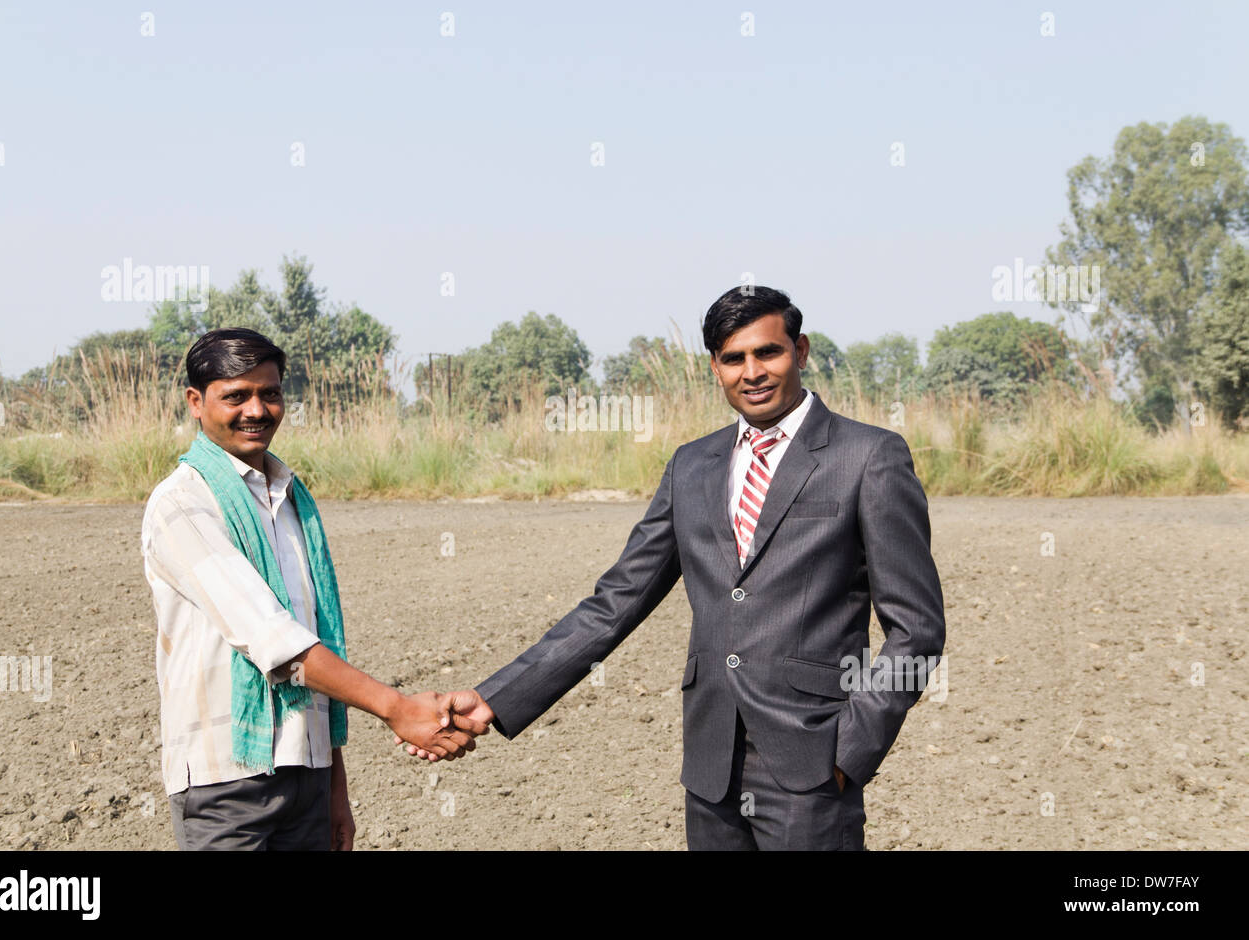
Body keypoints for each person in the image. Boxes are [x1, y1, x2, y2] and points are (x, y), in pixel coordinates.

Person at [400, 286, 946, 850]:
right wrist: (494, 698)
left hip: (812, 768)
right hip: (711, 770)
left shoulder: (868, 456)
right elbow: (616, 602)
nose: (752, 372)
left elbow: (917, 629)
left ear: (801, 351)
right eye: (733, 359)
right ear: (714, 367)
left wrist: (850, 752)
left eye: (768, 353)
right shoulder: (692, 465)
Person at [142, 328, 486, 851]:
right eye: (236, 395)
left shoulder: (291, 499)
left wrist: (334, 788)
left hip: (307, 773)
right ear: (196, 401)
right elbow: (273, 640)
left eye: (270, 393)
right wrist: (395, 707)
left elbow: (316, 641)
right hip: (226, 781)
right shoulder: (183, 505)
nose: (256, 410)